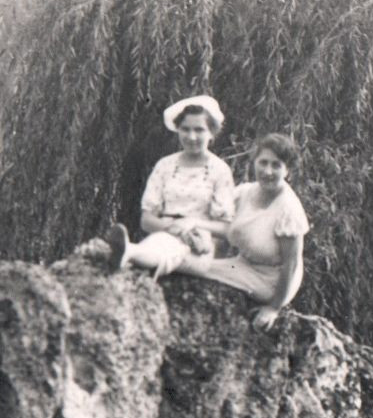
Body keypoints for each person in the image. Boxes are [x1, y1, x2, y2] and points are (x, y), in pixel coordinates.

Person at [105, 95, 235, 278]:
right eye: (185, 129)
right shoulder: (164, 166)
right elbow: (146, 221)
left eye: (199, 130)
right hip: (163, 235)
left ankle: (130, 252)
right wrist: (170, 227)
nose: (191, 137)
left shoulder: (220, 170)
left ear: (211, 132)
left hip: (198, 246)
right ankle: (132, 253)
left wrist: (193, 223)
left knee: (173, 250)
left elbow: (226, 229)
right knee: (161, 244)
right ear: (178, 130)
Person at [192, 133, 309, 331]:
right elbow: (222, 229)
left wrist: (273, 308)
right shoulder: (244, 193)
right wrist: (210, 255)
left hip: (271, 281)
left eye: (276, 165)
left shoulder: (289, 210)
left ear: (287, 170)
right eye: (263, 162)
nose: (268, 171)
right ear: (254, 162)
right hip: (243, 264)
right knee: (191, 252)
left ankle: (132, 254)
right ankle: (135, 253)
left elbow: (292, 263)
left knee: (189, 266)